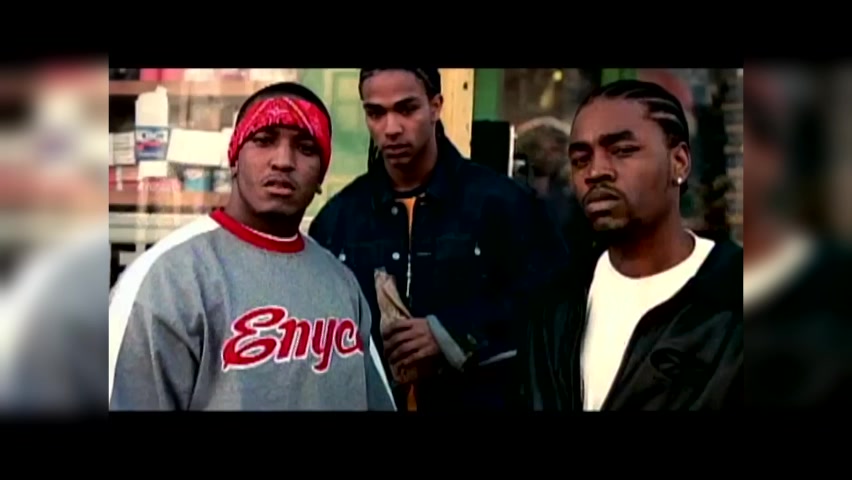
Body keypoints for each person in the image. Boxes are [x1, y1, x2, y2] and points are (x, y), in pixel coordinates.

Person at [109, 82, 395, 411]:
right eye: (264, 140)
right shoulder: (166, 279)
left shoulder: (341, 284)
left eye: (305, 148)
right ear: (234, 158)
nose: (283, 161)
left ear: (320, 177)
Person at [309, 68, 565, 411]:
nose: (391, 128)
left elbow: (554, 301)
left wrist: (453, 334)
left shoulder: (501, 203)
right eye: (376, 113)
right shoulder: (338, 219)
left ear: (436, 105)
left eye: (407, 109)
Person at [521, 79, 743, 411]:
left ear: (680, 162)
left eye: (622, 151)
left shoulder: (738, 298)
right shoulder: (553, 306)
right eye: (581, 159)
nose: (596, 171)